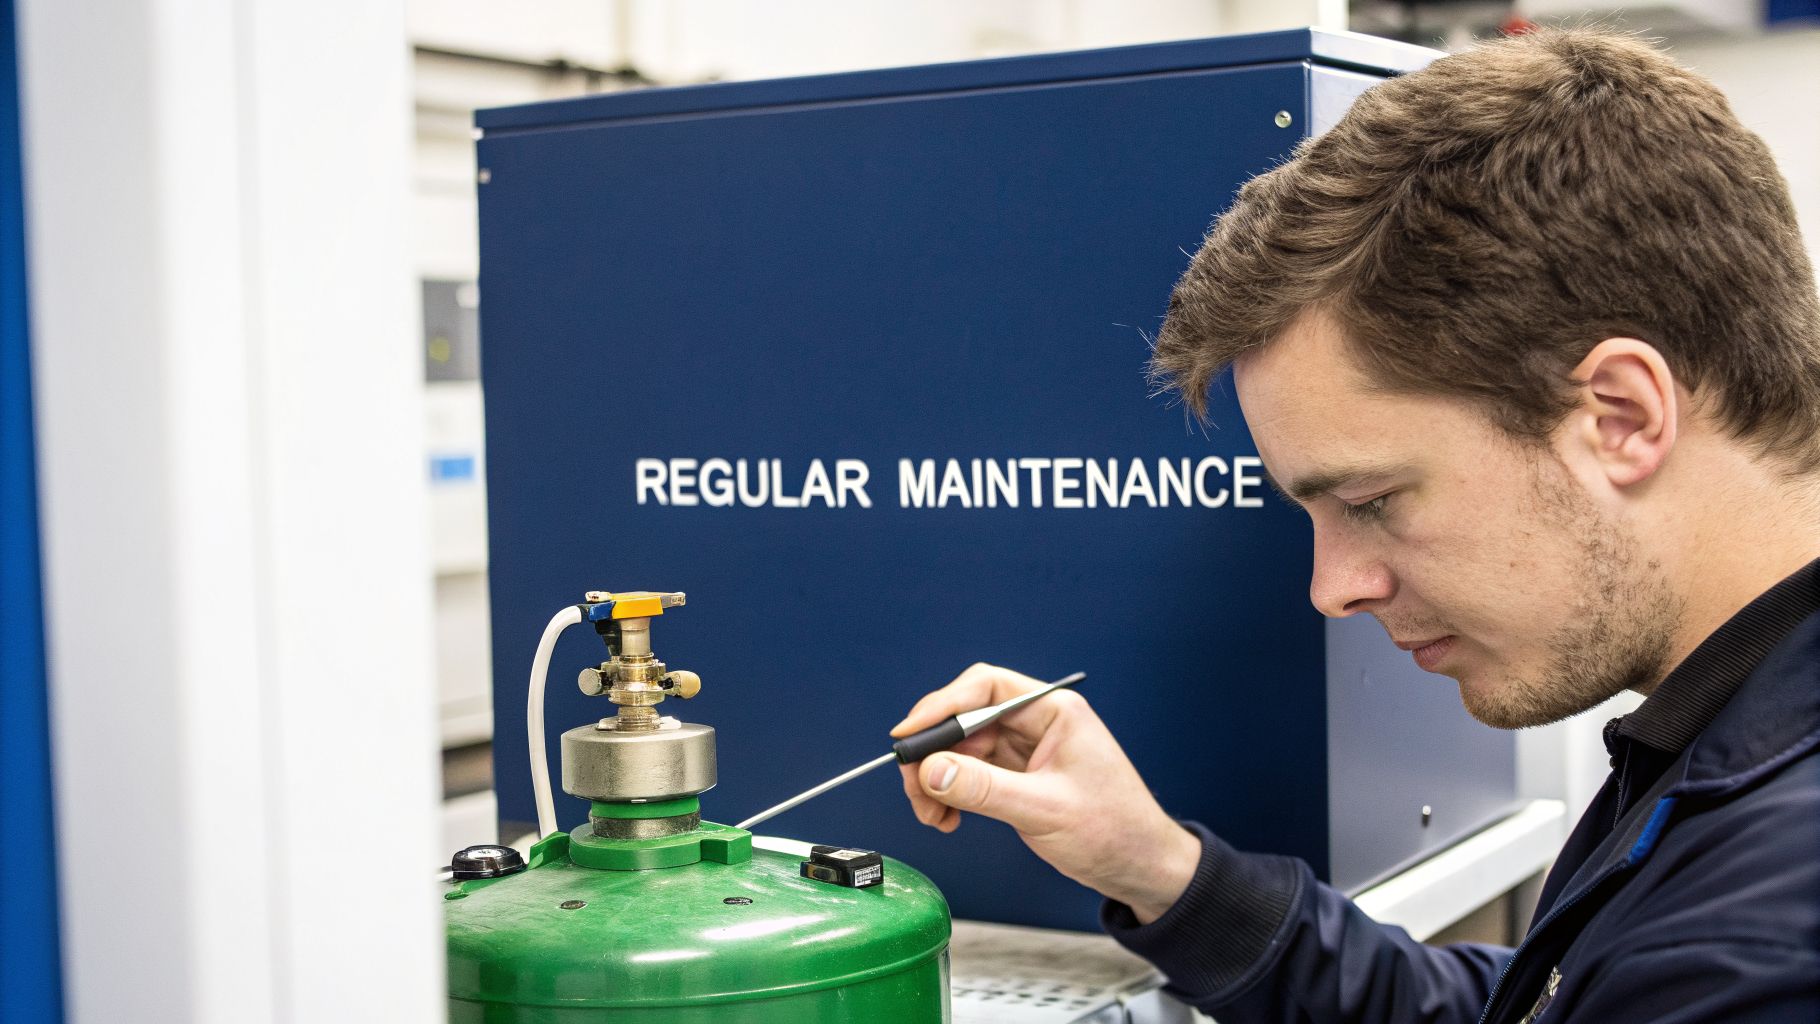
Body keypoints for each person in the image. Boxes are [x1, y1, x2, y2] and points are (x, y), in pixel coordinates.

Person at [892, 28, 1820, 1024]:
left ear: (1620, 417)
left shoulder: (1759, 952)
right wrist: (1159, 869)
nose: (1330, 590)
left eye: (1371, 501)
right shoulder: (1731, 764)